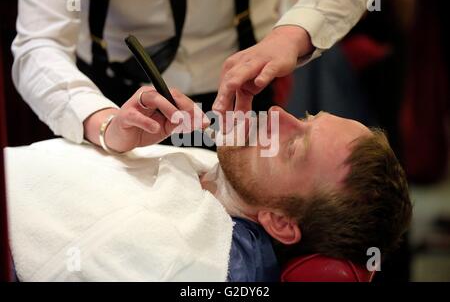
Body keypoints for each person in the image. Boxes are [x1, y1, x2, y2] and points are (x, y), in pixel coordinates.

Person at [6, 88, 412, 281]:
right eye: (305, 118)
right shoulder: (218, 172)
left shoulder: (186, 262)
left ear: (282, 224)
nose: (277, 114)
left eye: (293, 147)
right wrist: (109, 132)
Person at [11, 0, 373, 152]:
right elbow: (39, 43)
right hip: (113, 97)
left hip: (247, 88)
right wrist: (102, 122)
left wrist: (292, 35)